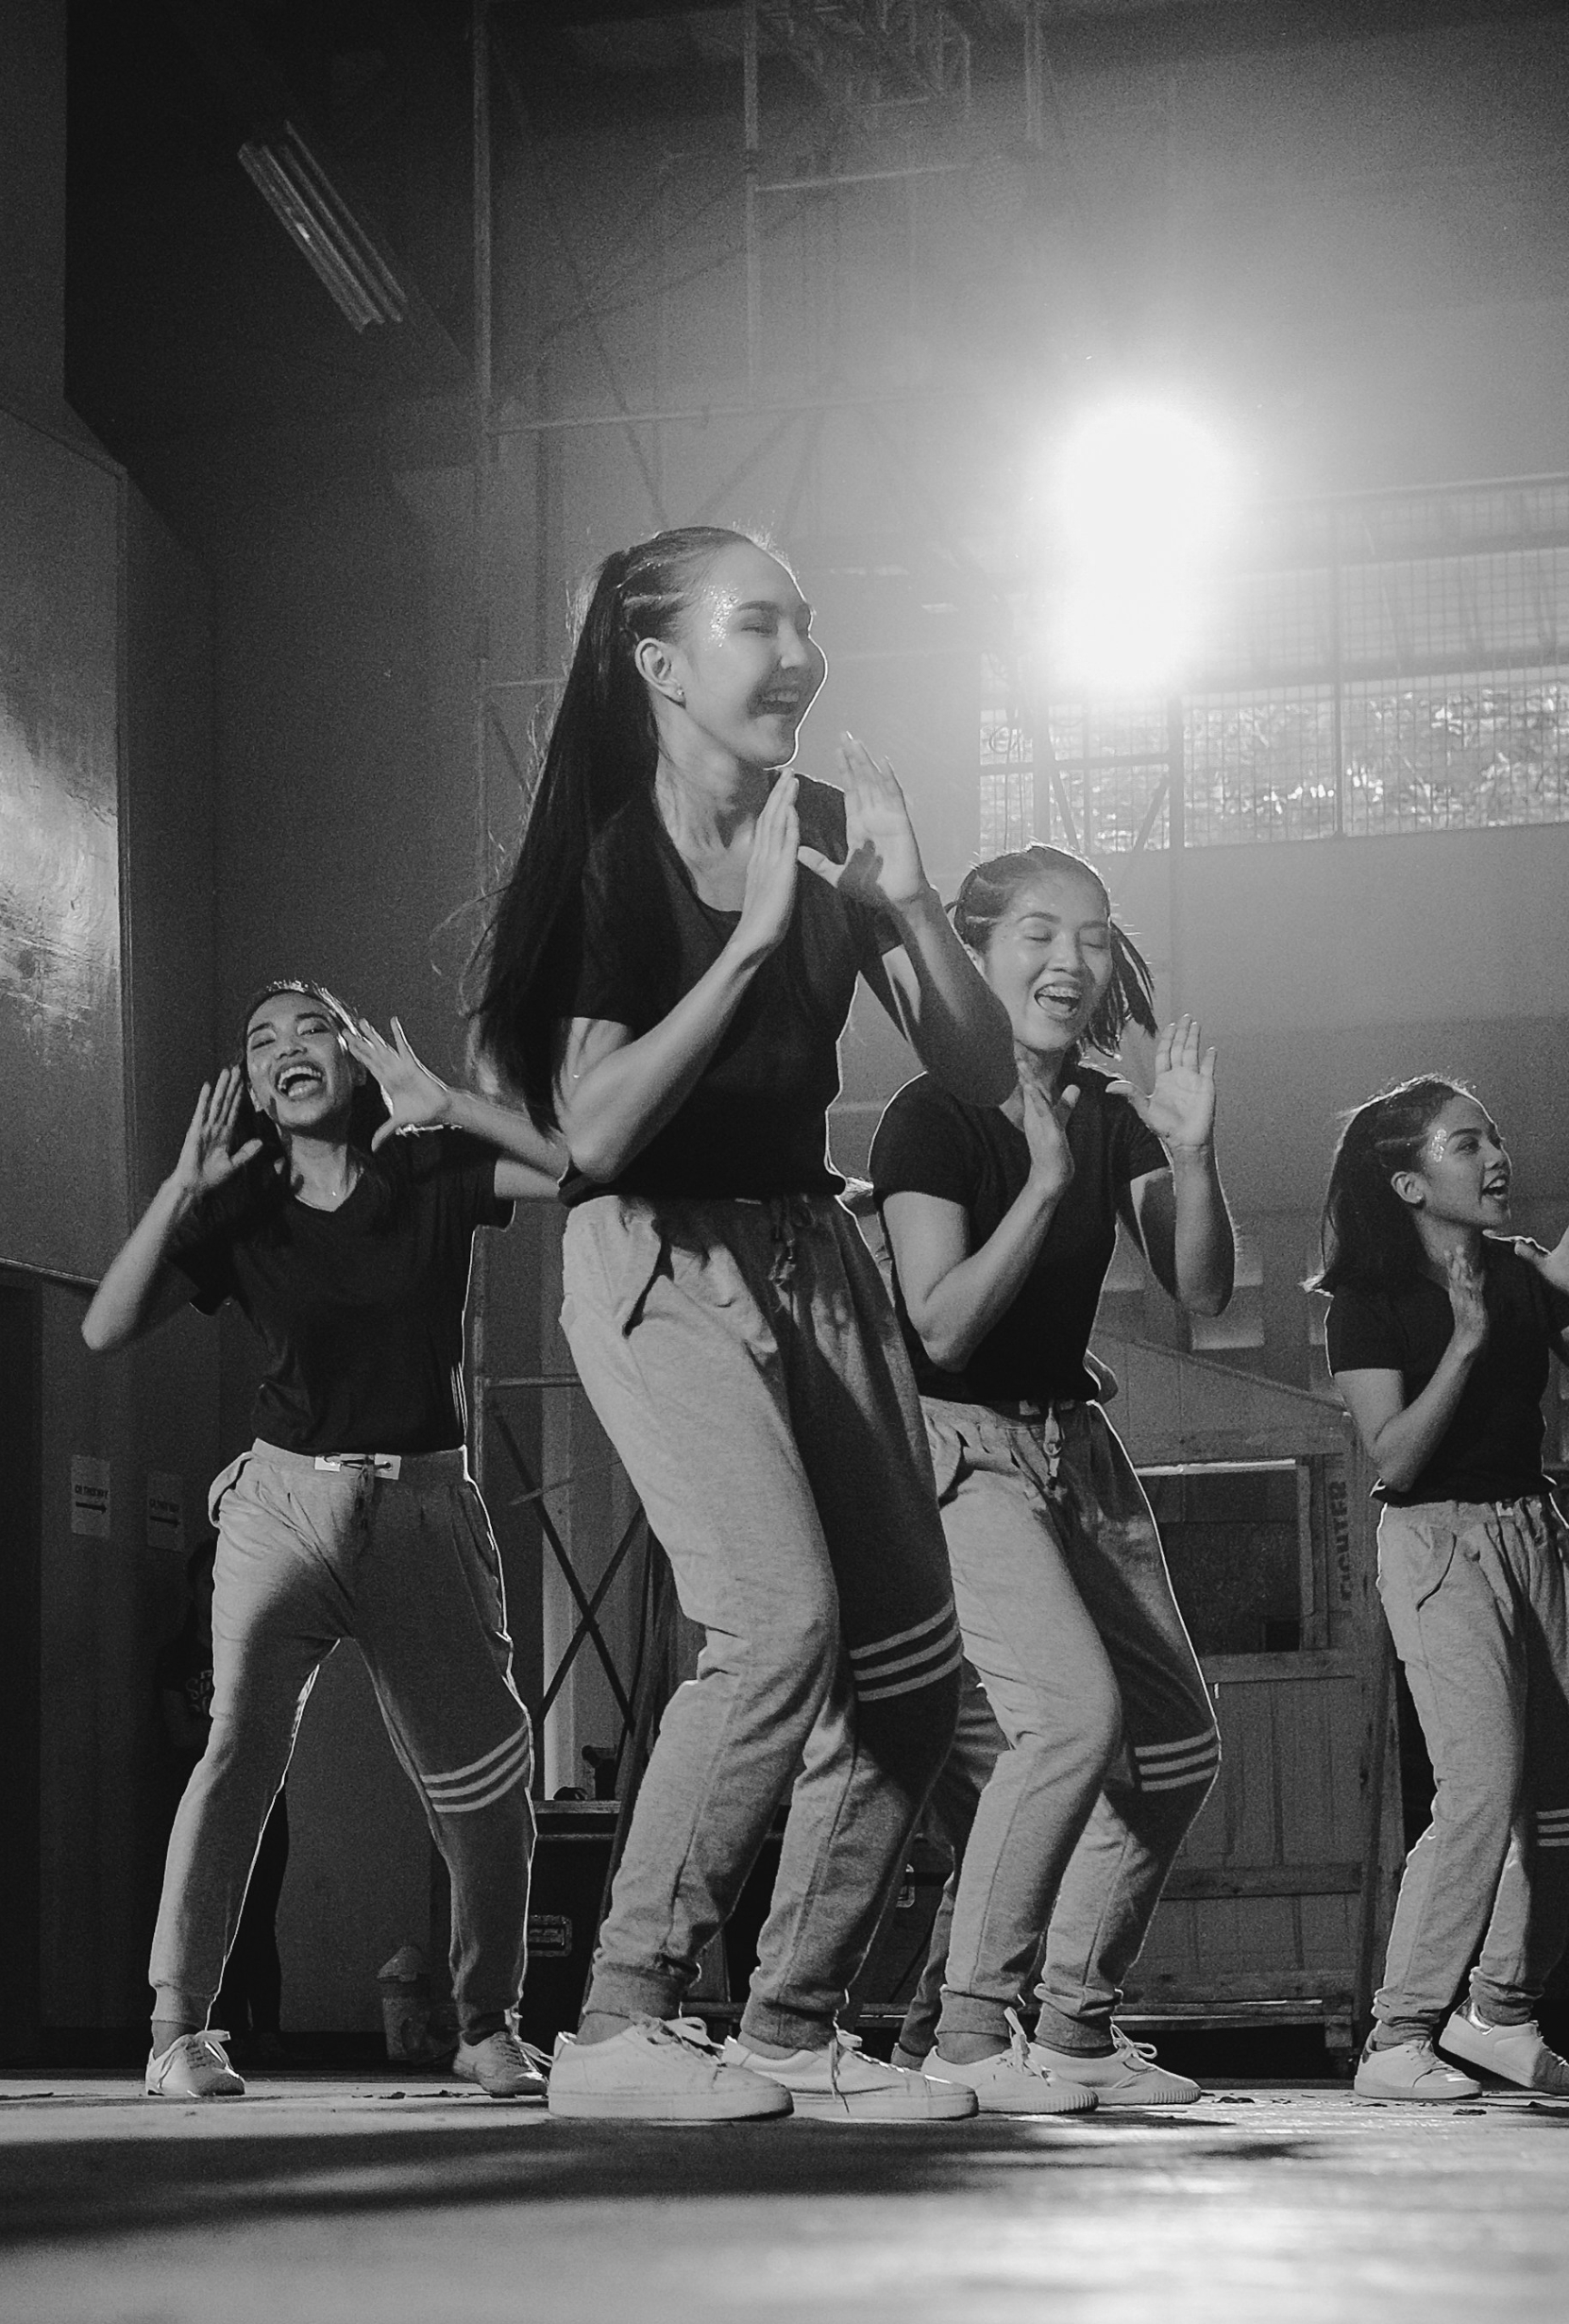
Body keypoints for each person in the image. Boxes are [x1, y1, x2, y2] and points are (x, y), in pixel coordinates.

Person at [467, 525, 1016, 2123]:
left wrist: (907, 912)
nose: (801, 657)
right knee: (776, 1621)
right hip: (657, 1260)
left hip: (809, 1254)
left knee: (910, 1661)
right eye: (760, 624)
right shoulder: (606, 862)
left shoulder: (829, 833)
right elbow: (597, 1134)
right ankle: (621, 2019)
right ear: (658, 663)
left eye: (809, 625)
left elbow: (974, 1078)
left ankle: (790, 2021)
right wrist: (760, 943)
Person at [80, 982, 562, 2101]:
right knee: (237, 1746)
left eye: (313, 1031)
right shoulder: (239, 1203)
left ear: (354, 1062)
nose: (286, 1049)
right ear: (252, 1086)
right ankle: (176, 2032)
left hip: (423, 1508)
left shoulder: (430, 1172)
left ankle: (488, 2023)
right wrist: (177, 1193)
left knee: (486, 1774)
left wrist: (451, 1103)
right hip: (282, 1504)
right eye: (261, 1040)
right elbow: (105, 1326)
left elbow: (586, 1167)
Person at [868, 846, 1235, 2112]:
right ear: (972, 954)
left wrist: (1188, 1156)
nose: (1069, 961)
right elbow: (945, 1324)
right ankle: (971, 2029)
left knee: (1177, 1742)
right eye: (1036, 933)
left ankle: (1075, 2026)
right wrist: (1046, 1187)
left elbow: (1200, 1290)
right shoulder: (932, 1115)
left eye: (1091, 936)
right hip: (959, 1440)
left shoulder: (1106, 1107)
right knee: (1070, 1716)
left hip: (1074, 1445)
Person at [1315, 1077, 1569, 2102]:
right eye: (1467, 1144)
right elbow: (1397, 1458)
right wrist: (1463, 1345)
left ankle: (1500, 2012)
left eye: (1495, 1137)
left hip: (1535, 1536)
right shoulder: (1365, 1303)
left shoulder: (1521, 1273)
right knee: (1478, 1792)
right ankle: (1396, 2037)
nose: (1496, 1156)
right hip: (1437, 1546)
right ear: (1411, 1182)